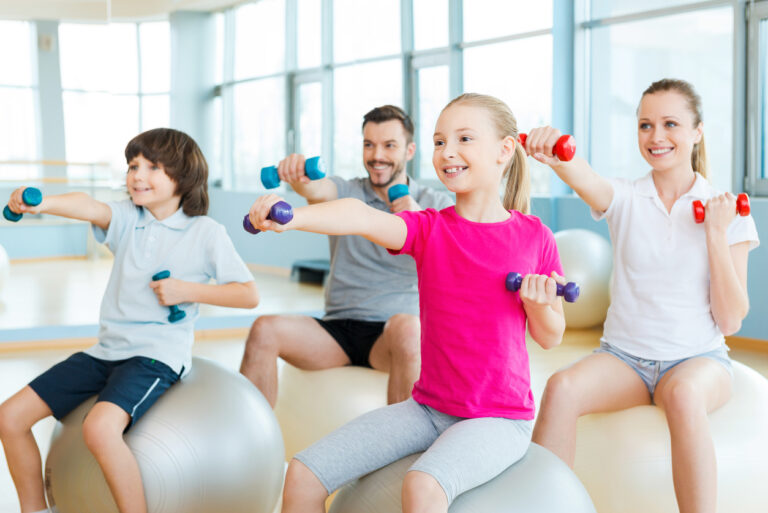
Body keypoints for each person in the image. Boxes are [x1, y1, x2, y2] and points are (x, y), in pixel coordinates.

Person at [247, 93, 568, 513]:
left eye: (464, 139)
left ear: (504, 151)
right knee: (304, 474)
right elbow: (360, 216)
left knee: (422, 485)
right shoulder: (429, 229)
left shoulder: (534, 235)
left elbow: (551, 336)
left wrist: (539, 303)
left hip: (499, 417)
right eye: (439, 142)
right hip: (428, 409)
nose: (447, 152)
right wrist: (292, 218)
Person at [528, 79, 759, 513]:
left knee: (684, 396)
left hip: (698, 360)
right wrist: (555, 150)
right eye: (645, 125)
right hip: (625, 360)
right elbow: (583, 174)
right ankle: (540, 505)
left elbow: (730, 321)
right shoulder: (626, 197)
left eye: (670, 124)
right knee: (560, 388)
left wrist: (714, 232)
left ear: (697, 132)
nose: (656, 137)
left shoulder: (727, 211)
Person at [0, 128, 259, 513]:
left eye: (152, 167)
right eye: (133, 166)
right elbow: (87, 205)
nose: (137, 175)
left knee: (100, 428)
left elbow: (247, 293)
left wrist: (187, 290)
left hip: (155, 356)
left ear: (183, 177)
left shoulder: (206, 233)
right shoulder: (126, 217)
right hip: (106, 352)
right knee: (10, 417)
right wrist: (42, 204)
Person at [239, 105, 453, 406]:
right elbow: (316, 189)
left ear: (409, 151)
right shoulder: (347, 191)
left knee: (410, 327)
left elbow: (451, 257)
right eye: (369, 144)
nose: (377, 155)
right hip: (337, 330)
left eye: (389, 145)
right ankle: (255, 445)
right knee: (265, 330)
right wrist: (295, 173)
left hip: (392, 336)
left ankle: (405, 449)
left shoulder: (435, 203)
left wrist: (418, 218)